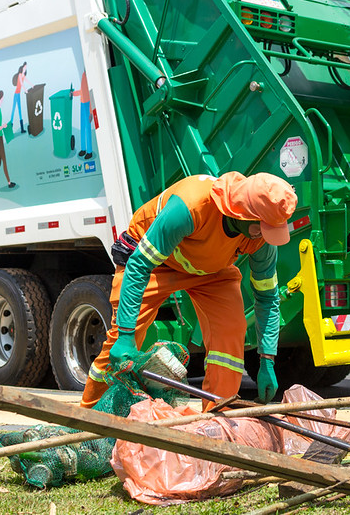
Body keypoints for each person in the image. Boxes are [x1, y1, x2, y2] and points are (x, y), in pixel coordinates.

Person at [80, 171, 297, 410]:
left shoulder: (261, 238)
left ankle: (217, 418)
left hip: (212, 271)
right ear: (242, 213)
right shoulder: (190, 207)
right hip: (156, 264)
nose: (265, 236)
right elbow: (140, 265)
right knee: (121, 346)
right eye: (261, 228)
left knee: (231, 332)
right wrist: (126, 335)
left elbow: (267, 298)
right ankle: (88, 419)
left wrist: (267, 361)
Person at [0, 90, 15, 190]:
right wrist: (3, 126)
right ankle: (9, 183)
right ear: (0, 98)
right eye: (3, 97)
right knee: (4, 161)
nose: (3, 99)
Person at [9, 62, 32, 133]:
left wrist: (32, 85)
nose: (25, 68)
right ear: (22, 68)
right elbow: (21, 84)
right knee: (13, 110)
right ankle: (10, 128)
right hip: (16, 94)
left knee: (19, 111)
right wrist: (25, 90)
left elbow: (27, 81)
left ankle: (22, 129)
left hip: (18, 94)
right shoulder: (19, 75)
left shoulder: (23, 76)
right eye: (25, 67)